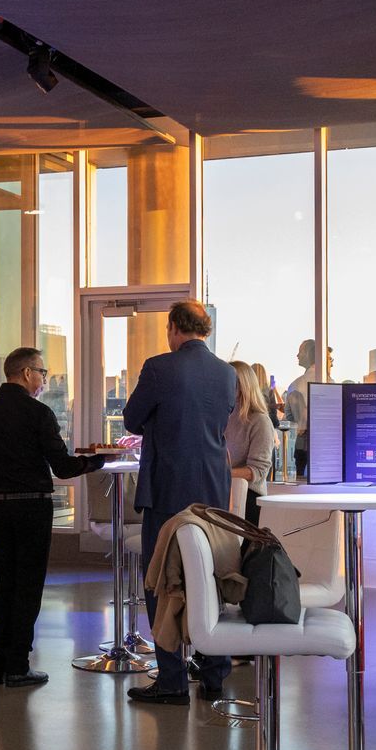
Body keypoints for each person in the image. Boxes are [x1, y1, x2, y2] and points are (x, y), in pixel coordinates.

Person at [0, 347, 108, 688]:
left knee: (5, 584)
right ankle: (17, 666)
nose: (44, 379)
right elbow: (63, 467)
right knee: (28, 586)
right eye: (42, 372)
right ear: (27, 373)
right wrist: (98, 460)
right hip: (33, 506)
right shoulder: (38, 413)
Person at [123, 299, 239, 705]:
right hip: (212, 490)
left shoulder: (159, 367)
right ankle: (214, 673)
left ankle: (171, 679)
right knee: (210, 575)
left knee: (162, 579)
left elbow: (131, 419)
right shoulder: (226, 373)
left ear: (174, 327)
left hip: (168, 488)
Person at [225, 359, 277, 522]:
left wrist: (220, 474)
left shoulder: (260, 421)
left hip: (248, 498)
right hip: (225, 493)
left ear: (242, 386)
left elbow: (257, 470)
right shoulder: (223, 417)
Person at [283, 338, 322, 478]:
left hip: (302, 447)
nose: (297, 355)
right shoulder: (330, 382)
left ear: (309, 353)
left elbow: (292, 420)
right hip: (324, 445)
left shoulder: (296, 385)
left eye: (300, 351)